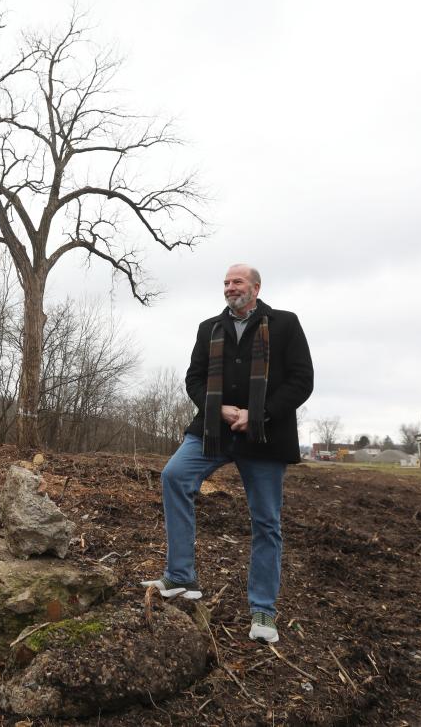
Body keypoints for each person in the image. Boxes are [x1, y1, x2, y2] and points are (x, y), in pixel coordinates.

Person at [142, 263, 313, 644]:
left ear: (255, 287)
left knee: (266, 521)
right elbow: (194, 379)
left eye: (236, 281)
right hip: (214, 429)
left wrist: (259, 413)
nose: (228, 287)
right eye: (225, 282)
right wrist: (217, 408)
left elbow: (302, 381)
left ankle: (263, 610)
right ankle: (181, 576)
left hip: (265, 435)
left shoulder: (284, 324)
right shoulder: (210, 328)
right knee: (174, 475)